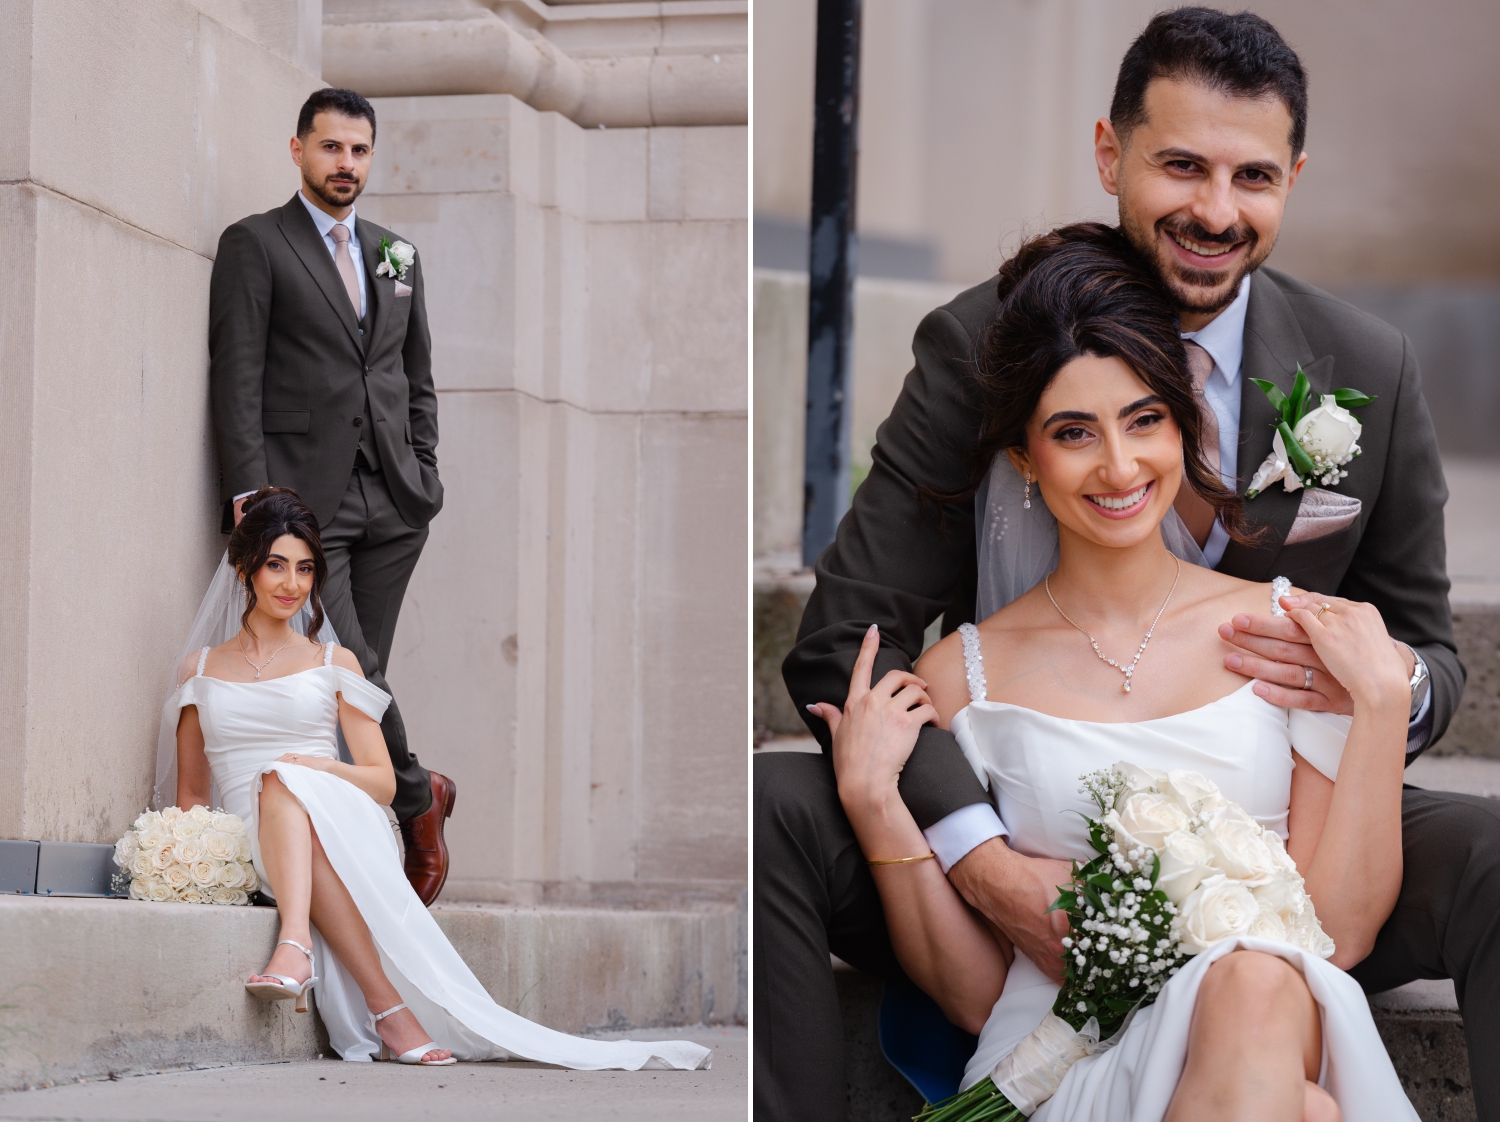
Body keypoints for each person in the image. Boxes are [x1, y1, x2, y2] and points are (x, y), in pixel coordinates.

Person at [758, 9, 1496, 1120]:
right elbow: (839, 644)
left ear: (1294, 177)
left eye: (1254, 176)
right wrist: (984, 859)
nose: (1215, 210)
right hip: (1029, 793)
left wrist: (1377, 690)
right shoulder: (983, 346)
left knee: (1492, 854)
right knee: (772, 804)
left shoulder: (1365, 365)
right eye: (1182, 165)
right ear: (1111, 155)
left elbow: (1430, 642)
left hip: (1280, 813)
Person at [817, 225, 1414, 1119]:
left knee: (1254, 982)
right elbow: (980, 995)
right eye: (1074, 432)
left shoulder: (1287, 637)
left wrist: (1379, 700)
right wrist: (875, 809)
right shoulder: (961, 679)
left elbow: (1341, 930)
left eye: (1145, 420)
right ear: (1024, 456)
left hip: (1272, 1013)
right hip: (1069, 1066)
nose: (1120, 465)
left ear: (1184, 424)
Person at [173, 487, 711, 1071]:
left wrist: (321, 767)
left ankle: (295, 946)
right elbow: (193, 796)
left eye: (305, 568)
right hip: (253, 838)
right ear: (242, 565)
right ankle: (388, 1010)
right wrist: (184, 859)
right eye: (276, 564)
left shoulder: (333, 662)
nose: (292, 583)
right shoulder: (200, 670)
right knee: (276, 787)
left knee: (282, 779)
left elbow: (382, 782)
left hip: (339, 812)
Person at [209, 88, 454, 906]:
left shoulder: (398, 255)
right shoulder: (256, 244)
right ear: (297, 149)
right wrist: (253, 498)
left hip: (395, 498)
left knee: (355, 682)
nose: (345, 164)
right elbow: (236, 376)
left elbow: (414, 376)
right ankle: (418, 802)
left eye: (358, 150)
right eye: (330, 148)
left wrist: (423, 466)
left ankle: (362, 839)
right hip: (305, 508)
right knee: (358, 666)